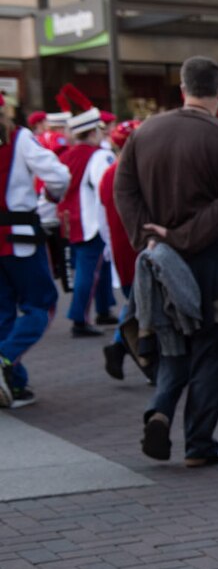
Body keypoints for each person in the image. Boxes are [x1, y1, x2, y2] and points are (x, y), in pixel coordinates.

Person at [114, 55, 218, 467]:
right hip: (212, 258)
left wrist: (148, 234)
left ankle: (160, 409)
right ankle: (200, 444)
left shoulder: (144, 132)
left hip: (159, 258)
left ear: (182, 88)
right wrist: (184, 236)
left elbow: (122, 189)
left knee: (171, 342)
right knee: (213, 348)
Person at [0, 93, 70, 409]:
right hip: (20, 238)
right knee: (42, 306)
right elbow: (59, 176)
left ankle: (15, 385)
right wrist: (53, 198)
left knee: (2, 314)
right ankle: (5, 359)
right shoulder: (20, 138)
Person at [97, 119, 150, 382]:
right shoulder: (140, 172)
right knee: (147, 307)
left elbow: (102, 218)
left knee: (135, 304)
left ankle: (119, 347)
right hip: (140, 246)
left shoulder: (109, 174)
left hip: (120, 247)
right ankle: (148, 360)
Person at [58, 107, 117, 336]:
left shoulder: (68, 154)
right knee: (89, 271)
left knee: (97, 268)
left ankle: (103, 309)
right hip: (93, 220)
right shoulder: (98, 155)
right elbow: (105, 185)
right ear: (93, 132)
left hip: (73, 220)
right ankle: (79, 318)